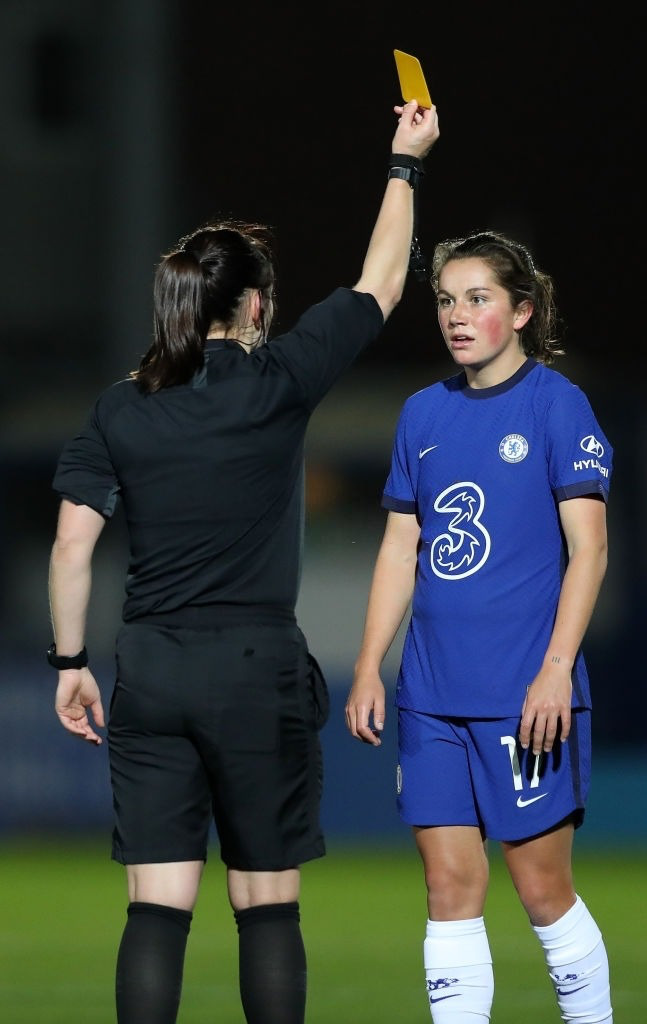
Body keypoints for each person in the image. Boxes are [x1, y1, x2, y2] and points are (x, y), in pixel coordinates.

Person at [47, 97, 439, 1024]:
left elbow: (72, 543)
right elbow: (382, 283)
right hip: (257, 667)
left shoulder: (122, 406)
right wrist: (405, 161)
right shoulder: (279, 381)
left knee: (155, 907)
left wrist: (70, 663)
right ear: (257, 303)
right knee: (265, 905)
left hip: (151, 666)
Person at [345, 230, 614, 1023]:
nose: (457, 316)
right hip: (431, 697)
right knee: (449, 888)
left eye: (478, 298)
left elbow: (590, 550)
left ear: (522, 310)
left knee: (541, 889)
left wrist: (557, 669)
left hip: (524, 694)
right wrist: (369, 665)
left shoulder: (556, 403)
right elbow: (402, 547)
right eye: (445, 300)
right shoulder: (422, 413)